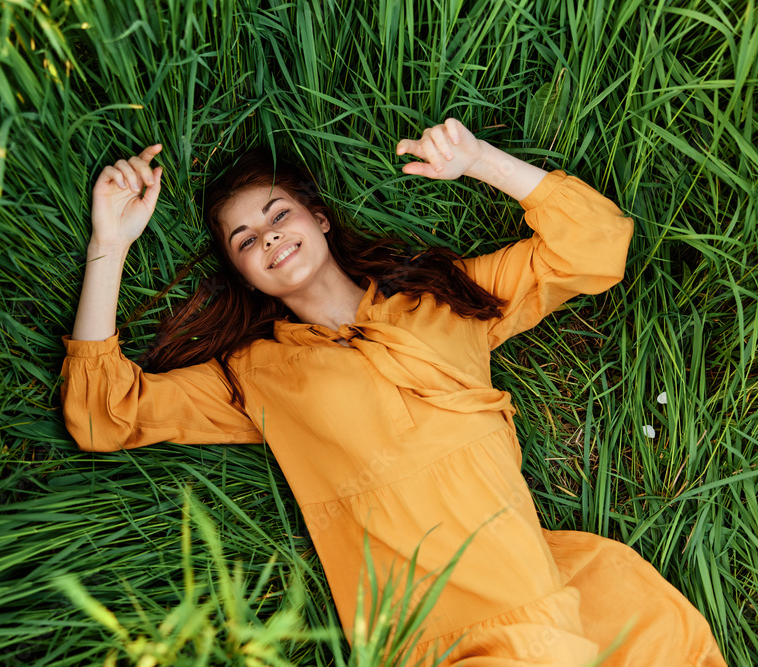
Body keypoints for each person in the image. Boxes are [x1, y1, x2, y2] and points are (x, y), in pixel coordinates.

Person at [60, 118, 726, 665]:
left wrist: (481, 159)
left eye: (277, 214)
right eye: (245, 241)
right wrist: (109, 243)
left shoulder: (450, 300)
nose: (269, 238)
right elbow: (103, 415)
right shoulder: (257, 375)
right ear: (245, 276)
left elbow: (597, 248)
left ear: (319, 218)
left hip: (540, 592)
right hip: (433, 637)